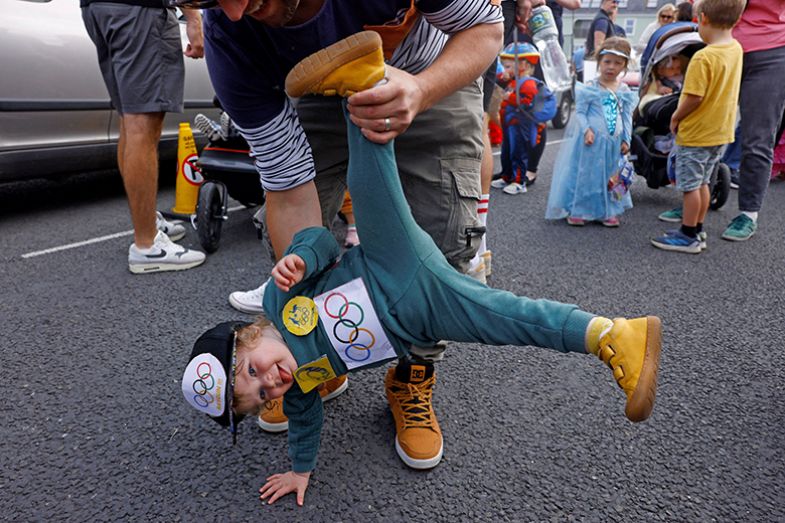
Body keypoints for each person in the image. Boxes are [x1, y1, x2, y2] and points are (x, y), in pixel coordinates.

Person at [181, 37, 663, 506]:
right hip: (419, 318)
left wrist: (300, 257)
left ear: (247, 336)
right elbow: (305, 427)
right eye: (262, 393)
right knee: (512, 320)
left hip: (389, 264)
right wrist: (300, 471)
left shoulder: (277, 301)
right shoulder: (302, 387)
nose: (272, 382)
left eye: (253, 371)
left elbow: (325, 242)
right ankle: (613, 336)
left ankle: (360, 82)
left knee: (370, 184)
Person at [173, 0, 505, 471]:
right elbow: (289, 191)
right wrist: (304, 319)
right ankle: (319, 362)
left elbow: (486, 29)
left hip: (431, 66)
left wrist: (421, 89)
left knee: (446, 246)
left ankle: (412, 374)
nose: (233, 9)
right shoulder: (231, 38)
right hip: (321, 86)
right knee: (287, 237)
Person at [81, 0, 207, 274]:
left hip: (97, 9)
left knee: (130, 120)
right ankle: (147, 245)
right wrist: (194, 19)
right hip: (139, 10)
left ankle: (147, 223)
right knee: (143, 123)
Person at [651, 0, 744, 254]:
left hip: (697, 132)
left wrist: (676, 116)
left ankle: (688, 235)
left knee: (691, 186)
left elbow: (694, 97)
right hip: (720, 131)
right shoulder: (735, 48)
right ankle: (696, 228)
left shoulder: (704, 57)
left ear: (701, 19)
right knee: (703, 182)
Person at [545, 37, 637, 227]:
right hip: (592, 141)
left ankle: (606, 210)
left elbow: (626, 117)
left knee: (610, 175)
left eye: (617, 63)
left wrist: (626, 139)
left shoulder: (624, 90)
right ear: (599, 63)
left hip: (613, 142)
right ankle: (579, 209)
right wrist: (586, 130)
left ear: (625, 66)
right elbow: (580, 111)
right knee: (586, 174)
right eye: (607, 62)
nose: (611, 67)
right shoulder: (590, 88)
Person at [720, 0, 785, 242]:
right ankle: (695, 198)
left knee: (757, 137)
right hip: (721, 45)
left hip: (772, 51)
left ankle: (748, 213)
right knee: (705, 129)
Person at [491, 43, 556, 195]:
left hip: (519, 125)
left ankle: (519, 181)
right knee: (506, 151)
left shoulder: (528, 83)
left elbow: (527, 102)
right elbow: (498, 80)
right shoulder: (514, 81)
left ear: (523, 64)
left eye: (508, 67)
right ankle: (507, 176)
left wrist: (510, 97)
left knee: (518, 152)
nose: (505, 70)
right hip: (509, 123)